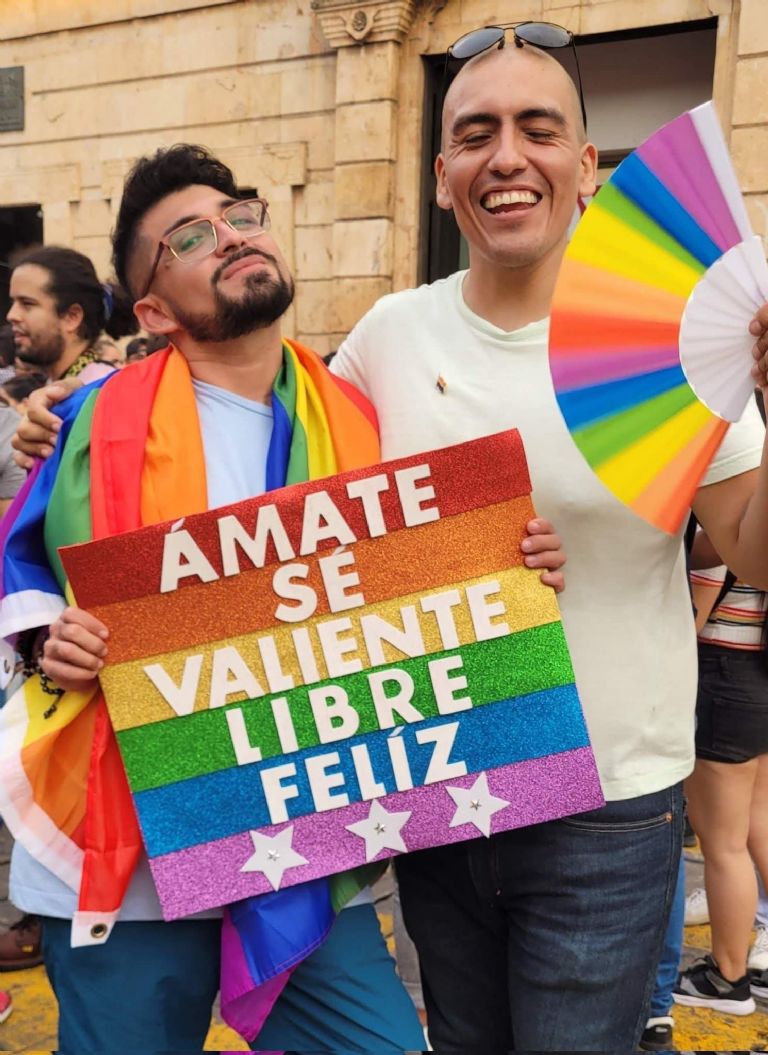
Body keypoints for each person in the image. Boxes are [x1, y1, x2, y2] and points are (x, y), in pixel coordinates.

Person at [2, 144, 565, 1052]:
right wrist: (45, 643)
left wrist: (509, 558)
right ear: (150, 308)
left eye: (241, 214)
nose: (229, 237)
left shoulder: (361, 414)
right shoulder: (83, 422)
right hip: (128, 858)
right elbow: (18, 569)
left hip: (302, 853)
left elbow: (416, 578)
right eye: (189, 237)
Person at [328, 34, 768, 1051]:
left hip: (610, 804)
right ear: (442, 179)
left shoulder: (661, 338)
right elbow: (306, 533)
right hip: (440, 783)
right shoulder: (388, 337)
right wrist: (72, 426)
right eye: (475, 133)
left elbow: (752, 549)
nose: (507, 155)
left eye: (539, 128)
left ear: (588, 171)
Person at [673, 514, 768, 1015]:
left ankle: (727, 978)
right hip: (759, 671)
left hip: (725, 676)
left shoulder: (727, 523)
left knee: (724, 845)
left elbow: (688, 622)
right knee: (758, 827)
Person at [6, 246, 137, 385]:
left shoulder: (104, 389)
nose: (11, 315)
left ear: (72, 317)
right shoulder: (61, 385)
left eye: (27, 304)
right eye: (13, 303)